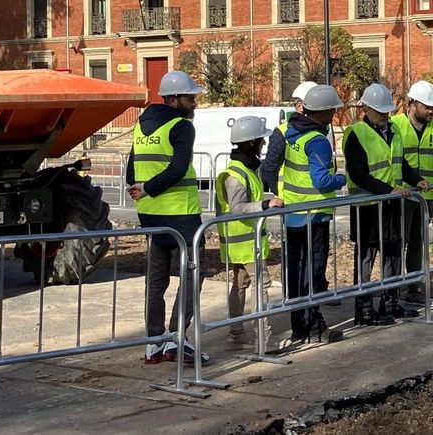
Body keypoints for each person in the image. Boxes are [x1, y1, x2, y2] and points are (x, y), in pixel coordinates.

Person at [125, 70, 210, 366]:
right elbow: (177, 169)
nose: (195, 104)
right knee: (192, 275)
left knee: (156, 280)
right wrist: (149, 188)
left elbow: (130, 172)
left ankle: (153, 342)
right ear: (174, 100)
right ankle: (177, 337)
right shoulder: (181, 126)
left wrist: (143, 190)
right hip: (182, 216)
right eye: (191, 98)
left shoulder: (140, 127)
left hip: (150, 216)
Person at [344, 83, 428, 325]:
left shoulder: (393, 131)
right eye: (379, 111)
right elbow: (359, 174)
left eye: (386, 111)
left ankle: (390, 302)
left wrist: (416, 179)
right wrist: (388, 190)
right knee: (366, 257)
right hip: (367, 206)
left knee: (393, 253)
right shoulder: (355, 133)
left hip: (391, 204)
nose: (384, 115)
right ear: (366, 108)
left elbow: (400, 164)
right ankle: (364, 308)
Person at [278, 84, 348, 349]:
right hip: (314, 214)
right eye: (332, 110)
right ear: (323, 112)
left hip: (295, 212)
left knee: (296, 271)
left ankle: (300, 324)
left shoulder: (292, 132)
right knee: (312, 270)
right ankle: (312, 323)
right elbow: (322, 180)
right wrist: (343, 178)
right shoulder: (317, 140)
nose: (334, 114)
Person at [390, 80, 433, 306]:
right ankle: (391, 289)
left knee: (417, 243)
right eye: (426, 106)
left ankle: (413, 287)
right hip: (401, 194)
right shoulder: (395, 125)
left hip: (425, 197)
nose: (431, 111)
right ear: (412, 104)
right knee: (396, 242)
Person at [216, 115, 282, 348]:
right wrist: (266, 204)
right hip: (245, 242)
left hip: (240, 242)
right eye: (260, 140)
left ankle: (236, 334)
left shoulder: (244, 169)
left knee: (239, 285)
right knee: (260, 285)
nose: (263, 144)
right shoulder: (236, 174)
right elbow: (237, 208)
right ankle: (263, 338)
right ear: (252, 142)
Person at [260, 81, 317, 194]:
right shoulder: (282, 131)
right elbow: (270, 167)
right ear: (300, 106)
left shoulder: (319, 131)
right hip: (291, 202)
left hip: (320, 203)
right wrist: (279, 193)